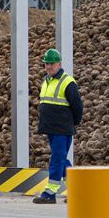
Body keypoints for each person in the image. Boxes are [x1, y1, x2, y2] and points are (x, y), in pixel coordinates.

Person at [33, 48, 83, 204]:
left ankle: (50, 193)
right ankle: (77, 192)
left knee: (57, 159)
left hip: (62, 128)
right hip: (51, 128)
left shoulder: (67, 82)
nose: (48, 67)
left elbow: (77, 106)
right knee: (61, 159)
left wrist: (72, 123)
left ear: (59, 64)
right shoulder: (46, 81)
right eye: (46, 64)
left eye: (52, 64)